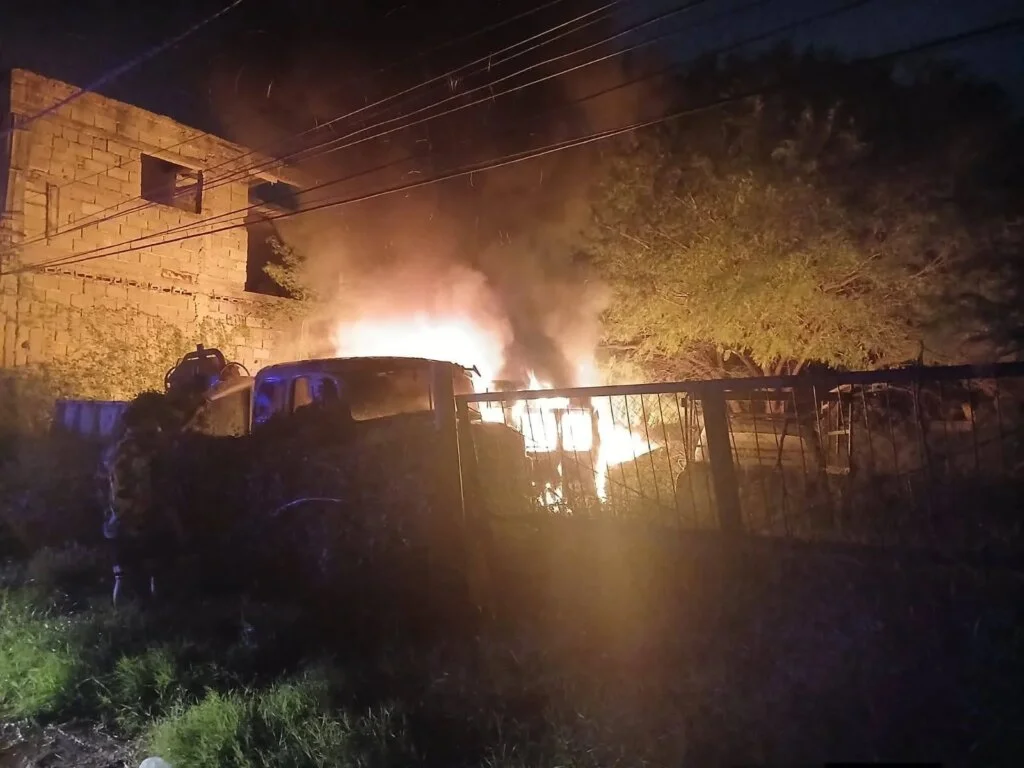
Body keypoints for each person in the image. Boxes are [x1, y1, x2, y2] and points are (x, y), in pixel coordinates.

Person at [102, 391, 185, 606]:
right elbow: (145, 488)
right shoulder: (137, 450)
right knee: (146, 577)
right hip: (138, 523)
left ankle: (132, 624)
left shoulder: (120, 448)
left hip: (122, 523)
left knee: (127, 579)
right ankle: (142, 624)